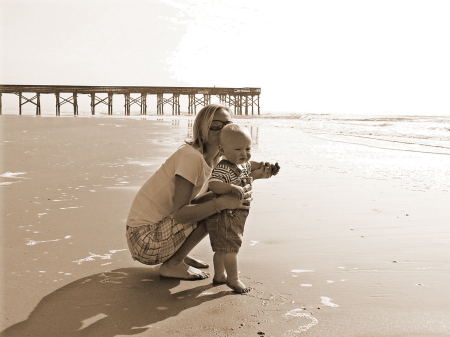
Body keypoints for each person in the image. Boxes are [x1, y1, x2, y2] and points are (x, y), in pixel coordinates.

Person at [126, 104, 280, 280]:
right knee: (218, 202)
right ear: (202, 129)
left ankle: (178, 254)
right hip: (144, 240)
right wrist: (220, 204)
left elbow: (234, 180)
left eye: (227, 124)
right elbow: (181, 215)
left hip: (158, 230)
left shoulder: (215, 160)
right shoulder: (191, 158)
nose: (222, 129)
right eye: (215, 125)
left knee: (222, 195)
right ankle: (174, 263)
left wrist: (259, 174)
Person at [207, 124, 272, 293]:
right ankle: (233, 279)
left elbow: (253, 165)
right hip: (226, 215)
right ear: (222, 150)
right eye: (238, 149)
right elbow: (213, 185)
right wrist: (230, 188)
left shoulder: (244, 164)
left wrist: (266, 166)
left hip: (235, 214)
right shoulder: (223, 167)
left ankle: (219, 275)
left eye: (248, 148)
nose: (244, 153)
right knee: (231, 249)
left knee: (222, 248)